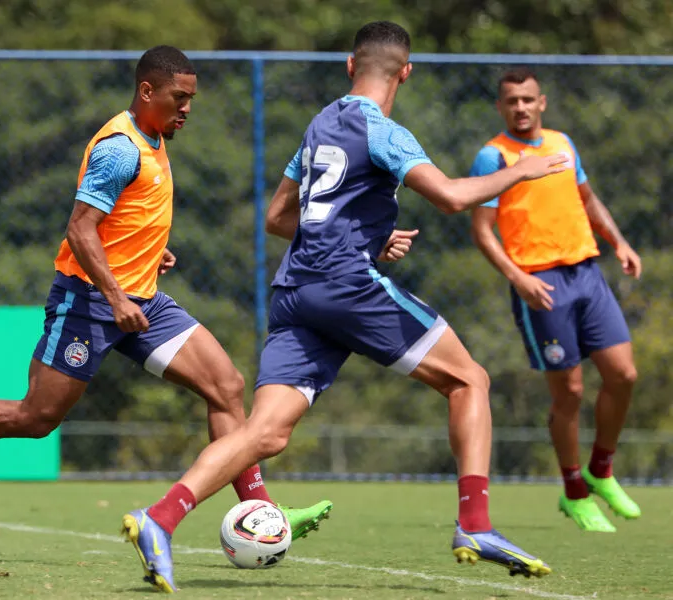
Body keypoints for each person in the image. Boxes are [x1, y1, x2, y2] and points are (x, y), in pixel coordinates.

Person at [121, 24, 567, 593]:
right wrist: (521, 171)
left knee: (265, 432)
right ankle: (475, 525)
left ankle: (161, 519)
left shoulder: (318, 125)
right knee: (469, 380)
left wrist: (365, 239)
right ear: (405, 72)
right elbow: (453, 197)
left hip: (296, 292)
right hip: (345, 287)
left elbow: (279, 219)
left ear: (348, 65)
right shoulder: (385, 132)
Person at [0, 45, 332, 540]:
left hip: (144, 300)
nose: (187, 109)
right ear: (146, 90)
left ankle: (261, 513)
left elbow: (120, 219)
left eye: (191, 99)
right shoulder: (120, 147)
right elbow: (80, 229)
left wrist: (151, 249)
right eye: (179, 98)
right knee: (36, 417)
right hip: (90, 302)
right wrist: (115, 297)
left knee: (226, 387)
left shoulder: (154, 136)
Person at [469, 68, 642, 533]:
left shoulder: (562, 144)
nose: (520, 108)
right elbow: (482, 230)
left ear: (541, 102)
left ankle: (600, 470)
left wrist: (620, 242)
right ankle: (573, 490)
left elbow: (587, 199)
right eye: (511, 101)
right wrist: (517, 278)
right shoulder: (493, 156)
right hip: (541, 284)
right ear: (501, 107)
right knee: (569, 392)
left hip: (587, 273)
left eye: (527, 99)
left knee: (623, 375)